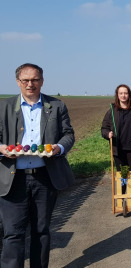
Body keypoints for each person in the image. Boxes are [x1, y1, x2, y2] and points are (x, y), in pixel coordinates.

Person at [0, 63, 75, 268]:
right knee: (13, 233)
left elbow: (68, 134)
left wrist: (59, 148)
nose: (30, 84)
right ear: (18, 82)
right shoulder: (3, 107)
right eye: (25, 80)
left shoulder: (56, 106)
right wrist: (3, 148)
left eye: (34, 80)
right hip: (13, 177)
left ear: (42, 81)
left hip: (45, 176)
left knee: (41, 231)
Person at [101, 84, 131, 209]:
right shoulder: (112, 111)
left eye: (125, 93)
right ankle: (123, 199)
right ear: (117, 95)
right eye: (121, 93)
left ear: (129, 94)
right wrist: (108, 134)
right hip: (118, 149)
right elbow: (104, 128)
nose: (123, 95)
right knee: (122, 175)